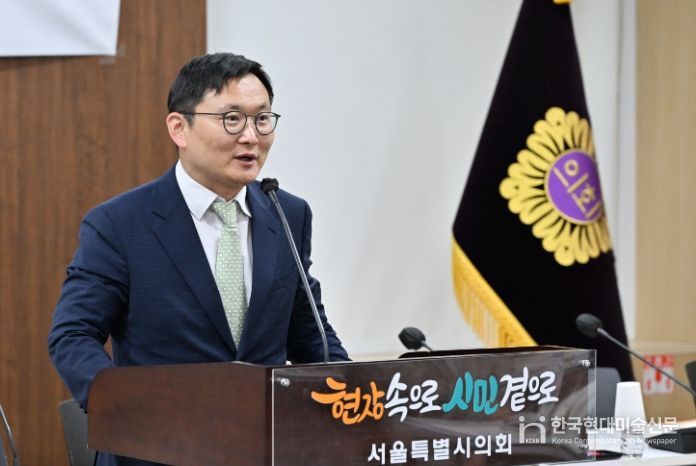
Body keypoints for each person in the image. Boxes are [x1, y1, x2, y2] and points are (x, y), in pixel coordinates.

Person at [48, 53, 349, 466]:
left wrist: (357, 399)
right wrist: (126, 407)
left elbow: (311, 336)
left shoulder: (287, 213)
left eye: (262, 119)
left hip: (265, 450)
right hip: (155, 452)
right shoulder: (120, 223)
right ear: (179, 128)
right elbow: (73, 334)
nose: (251, 137)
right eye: (232, 119)